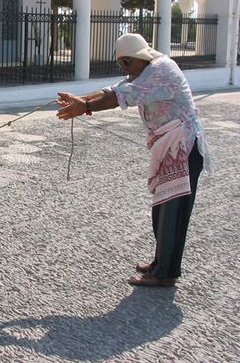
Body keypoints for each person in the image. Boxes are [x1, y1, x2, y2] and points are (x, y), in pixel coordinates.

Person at [56, 33, 210, 287]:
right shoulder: (145, 72)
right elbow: (114, 90)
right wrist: (80, 100)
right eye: (121, 65)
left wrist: (84, 107)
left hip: (184, 148)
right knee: (162, 209)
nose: (124, 69)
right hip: (171, 148)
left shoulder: (160, 71)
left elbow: (118, 97)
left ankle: (165, 273)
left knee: (173, 212)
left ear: (139, 57)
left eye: (125, 63)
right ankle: (161, 262)